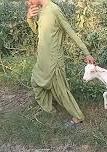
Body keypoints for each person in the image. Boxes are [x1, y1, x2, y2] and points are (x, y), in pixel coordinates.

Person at [27, 0, 95, 128]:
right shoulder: (40, 9)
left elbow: (70, 32)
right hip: (42, 58)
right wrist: (30, 18)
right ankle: (49, 110)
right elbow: (39, 32)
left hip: (53, 61)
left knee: (61, 91)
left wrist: (86, 52)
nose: (28, 2)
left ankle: (78, 117)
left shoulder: (54, 10)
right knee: (36, 81)